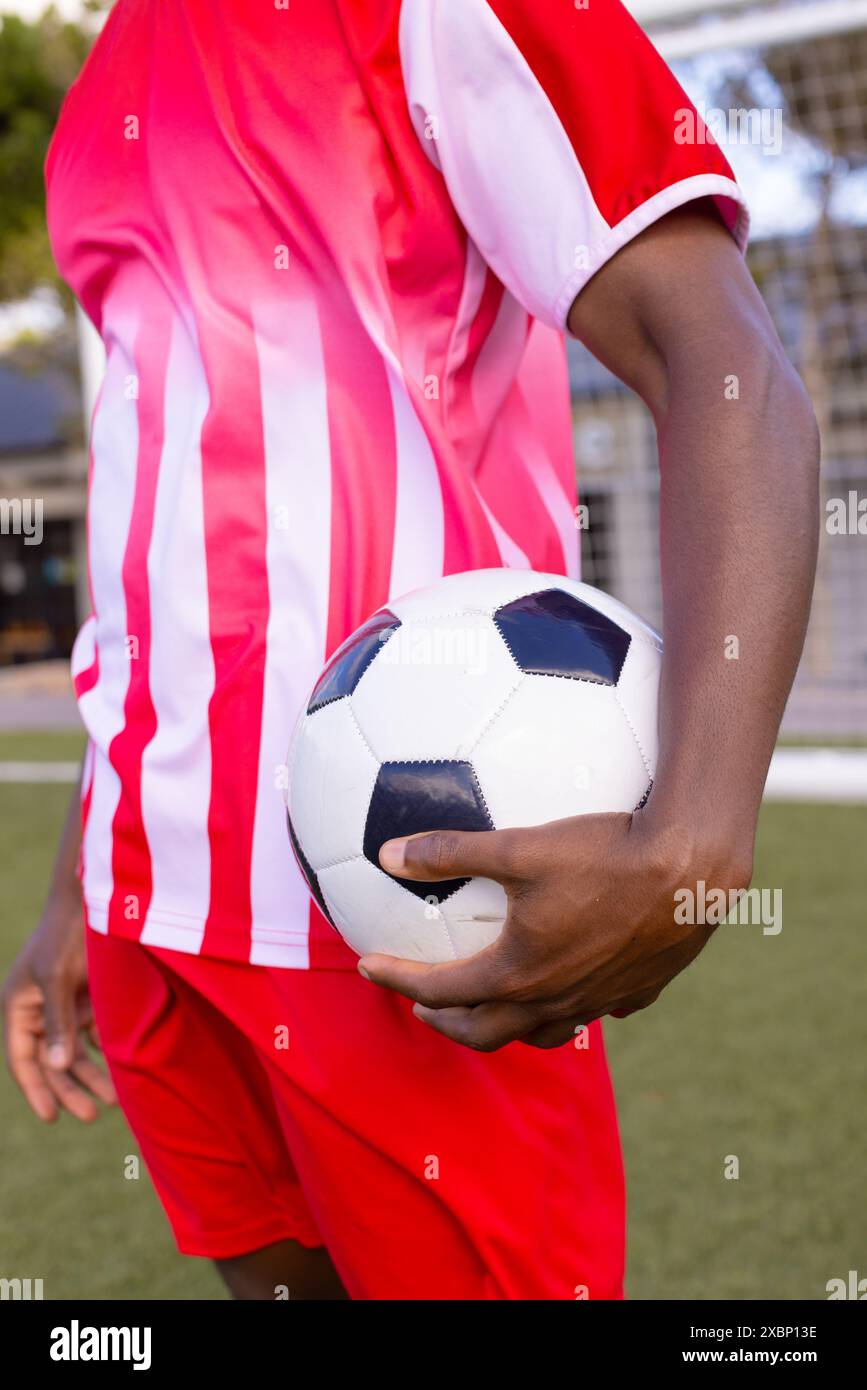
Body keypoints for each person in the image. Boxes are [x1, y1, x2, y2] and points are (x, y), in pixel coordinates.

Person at [2, 0, 818, 1300]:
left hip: (406, 899)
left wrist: (696, 840)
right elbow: (152, 492)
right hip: (152, 907)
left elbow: (724, 364)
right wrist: (80, 881)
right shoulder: (110, 77)